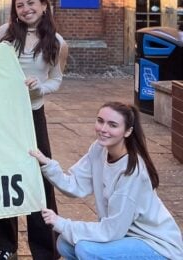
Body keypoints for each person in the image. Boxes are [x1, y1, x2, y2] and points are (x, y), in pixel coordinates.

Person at [30, 102, 183, 259]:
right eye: (100, 121)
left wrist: (62, 223)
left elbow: (112, 230)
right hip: (124, 235)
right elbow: (75, 184)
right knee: (65, 243)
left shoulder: (131, 172)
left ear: (128, 131)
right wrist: (47, 164)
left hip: (156, 245)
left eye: (112, 125)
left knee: (86, 250)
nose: (103, 129)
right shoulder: (99, 149)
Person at [0, 0, 68, 260]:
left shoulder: (56, 42)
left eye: (31, 3)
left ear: (44, 5)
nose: (26, 9)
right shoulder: (2, 34)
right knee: (2, 177)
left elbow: (56, 79)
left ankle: (45, 248)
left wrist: (40, 88)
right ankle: (5, 246)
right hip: (2, 116)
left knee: (40, 178)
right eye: (20, 5)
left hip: (33, 115)